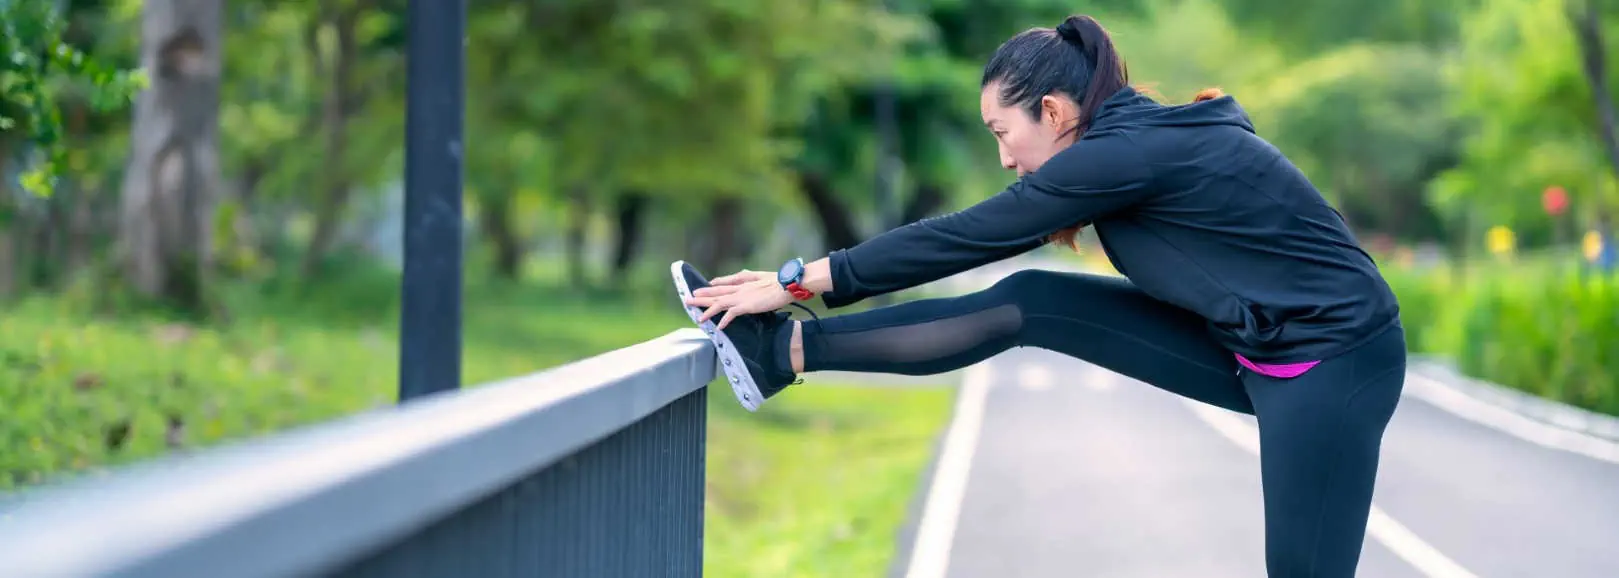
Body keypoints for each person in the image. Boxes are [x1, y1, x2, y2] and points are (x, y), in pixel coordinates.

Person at [672, 14, 1404, 578]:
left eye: (1002, 131)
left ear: (1052, 112)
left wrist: (792, 279)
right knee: (1030, 302)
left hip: (1332, 364)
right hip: (1255, 343)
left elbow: (962, 237)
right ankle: (783, 352)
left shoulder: (1123, 154)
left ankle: (786, 335)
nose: (1002, 157)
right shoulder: (1120, 143)